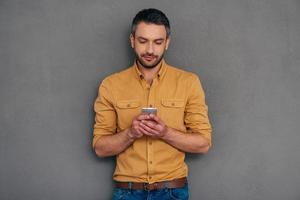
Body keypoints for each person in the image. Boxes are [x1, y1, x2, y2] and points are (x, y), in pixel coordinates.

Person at [93, 8, 212, 200]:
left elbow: (203, 144)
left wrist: (165, 133)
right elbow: (100, 148)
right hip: (127, 192)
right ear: (132, 40)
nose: (150, 50)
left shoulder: (188, 82)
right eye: (143, 41)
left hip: (173, 191)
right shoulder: (110, 85)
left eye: (157, 42)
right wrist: (130, 133)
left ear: (167, 43)